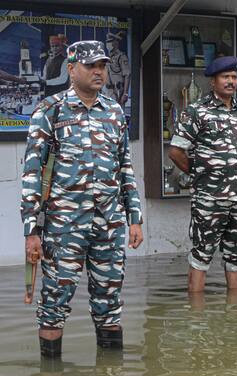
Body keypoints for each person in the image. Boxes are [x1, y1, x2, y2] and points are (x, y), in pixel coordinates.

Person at [21, 40, 143, 358]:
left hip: (109, 223)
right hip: (64, 225)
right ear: (71, 69)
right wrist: (31, 230)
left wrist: (135, 218)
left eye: (102, 65)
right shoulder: (50, 110)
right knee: (54, 302)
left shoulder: (115, 112)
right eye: (91, 66)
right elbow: (32, 173)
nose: (98, 71)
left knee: (110, 303)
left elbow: (125, 168)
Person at [168, 56, 237, 292]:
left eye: (234, 77)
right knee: (201, 255)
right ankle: (197, 317)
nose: (231, 82)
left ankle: (235, 313)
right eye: (225, 77)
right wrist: (199, 173)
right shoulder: (197, 111)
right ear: (213, 81)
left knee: (236, 257)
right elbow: (175, 151)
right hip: (209, 199)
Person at [104, 31, 130, 106]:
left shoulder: (121, 57)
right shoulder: (107, 58)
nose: (108, 44)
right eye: (107, 42)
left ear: (115, 43)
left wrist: (125, 93)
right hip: (107, 91)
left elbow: (127, 75)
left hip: (118, 91)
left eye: (110, 42)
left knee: (118, 115)